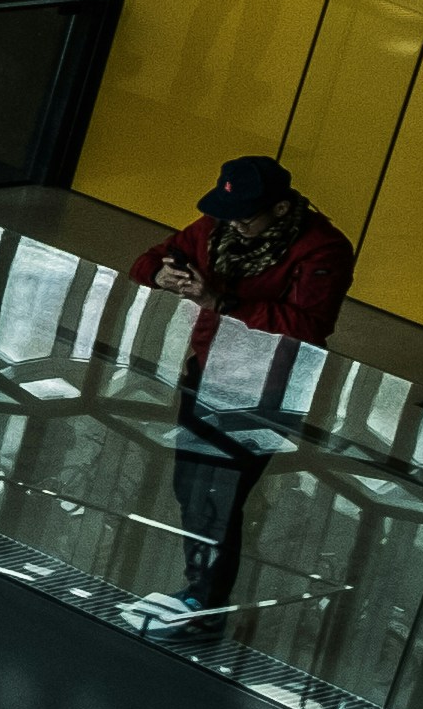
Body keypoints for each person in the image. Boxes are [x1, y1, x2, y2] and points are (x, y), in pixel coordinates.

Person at [135, 156, 352, 637]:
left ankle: (204, 602)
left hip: (265, 389)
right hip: (205, 371)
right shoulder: (218, 226)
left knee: (218, 494)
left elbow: (309, 327)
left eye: (245, 216)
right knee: (190, 488)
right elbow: (149, 259)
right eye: (227, 212)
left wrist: (224, 303)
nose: (233, 223)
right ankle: (199, 588)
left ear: (278, 208)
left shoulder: (324, 249)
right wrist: (160, 275)